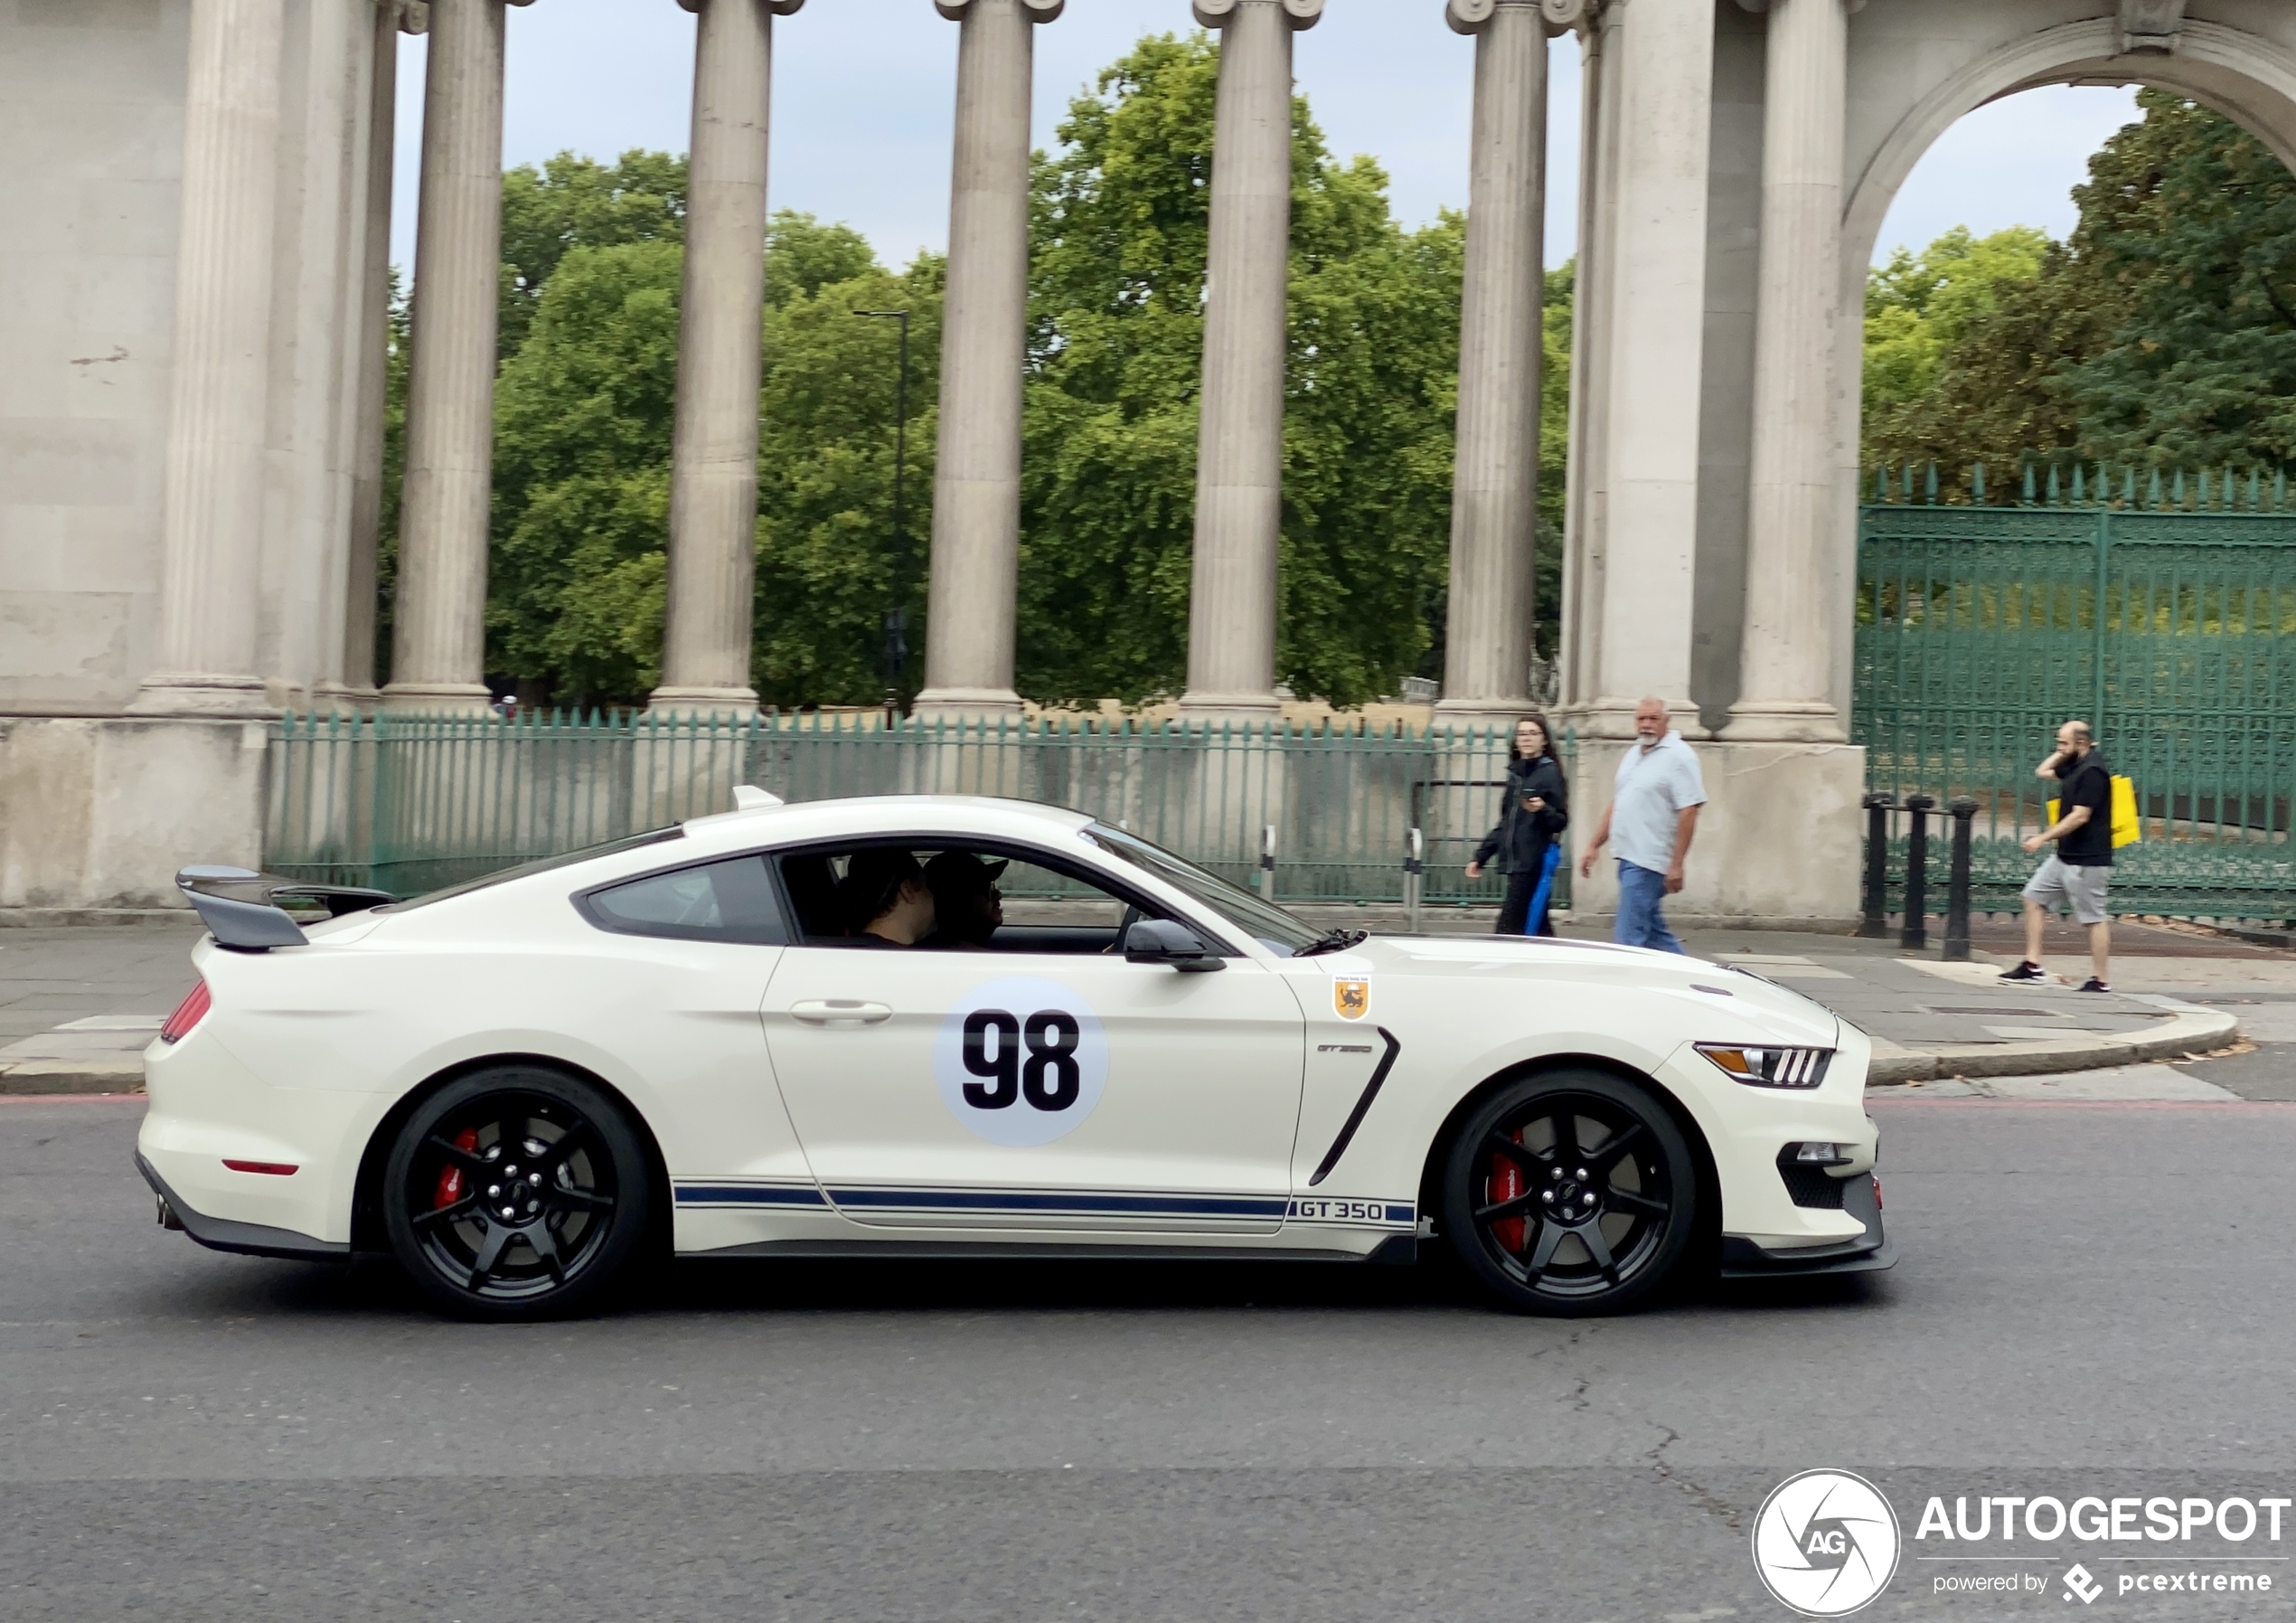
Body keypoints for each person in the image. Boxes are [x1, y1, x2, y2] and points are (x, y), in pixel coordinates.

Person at [1577, 696, 1705, 953]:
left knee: (1629, 938)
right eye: (1641, 719)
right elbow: (1620, 802)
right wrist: (1594, 844)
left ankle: (1627, 983)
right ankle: (1688, 977)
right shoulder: (1634, 754)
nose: (1646, 724)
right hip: (1627, 855)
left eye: (1653, 719)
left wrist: (1677, 863)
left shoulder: (1680, 757)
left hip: (1649, 859)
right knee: (1654, 934)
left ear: (1666, 721)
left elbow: (1689, 810)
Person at [2001, 720, 2113, 991]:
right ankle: (2032, 965)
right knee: (2033, 897)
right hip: (2064, 856)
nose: (2059, 747)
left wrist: (2042, 837)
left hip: (2087, 860)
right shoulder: (2074, 765)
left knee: (2093, 918)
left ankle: (2101, 980)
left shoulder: (2093, 771)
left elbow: (2080, 816)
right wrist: (2064, 751)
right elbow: (2043, 771)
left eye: (2064, 742)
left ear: (2083, 743)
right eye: (2059, 742)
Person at [1464, 713, 1570, 936]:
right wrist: (1481, 856)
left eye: (1533, 733)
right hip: (1516, 862)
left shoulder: (1550, 773)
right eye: (1522, 733)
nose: (1527, 738)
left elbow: (1560, 821)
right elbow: (1506, 823)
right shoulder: (1517, 774)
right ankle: (1549, 965)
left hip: (1532, 863)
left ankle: (1505, 968)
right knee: (1536, 926)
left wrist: (1542, 808)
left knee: (1508, 927)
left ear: (1544, 740)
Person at [838, 848, 935, 946]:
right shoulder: (906, 960)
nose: (932, 896)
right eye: (927, 887)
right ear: (907, 890)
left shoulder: (841, 951)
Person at [923, 852, 1007, 949]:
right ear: (958, 901)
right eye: (984, 887)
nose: (998, 895)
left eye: (991, 886)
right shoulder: (970, 957)